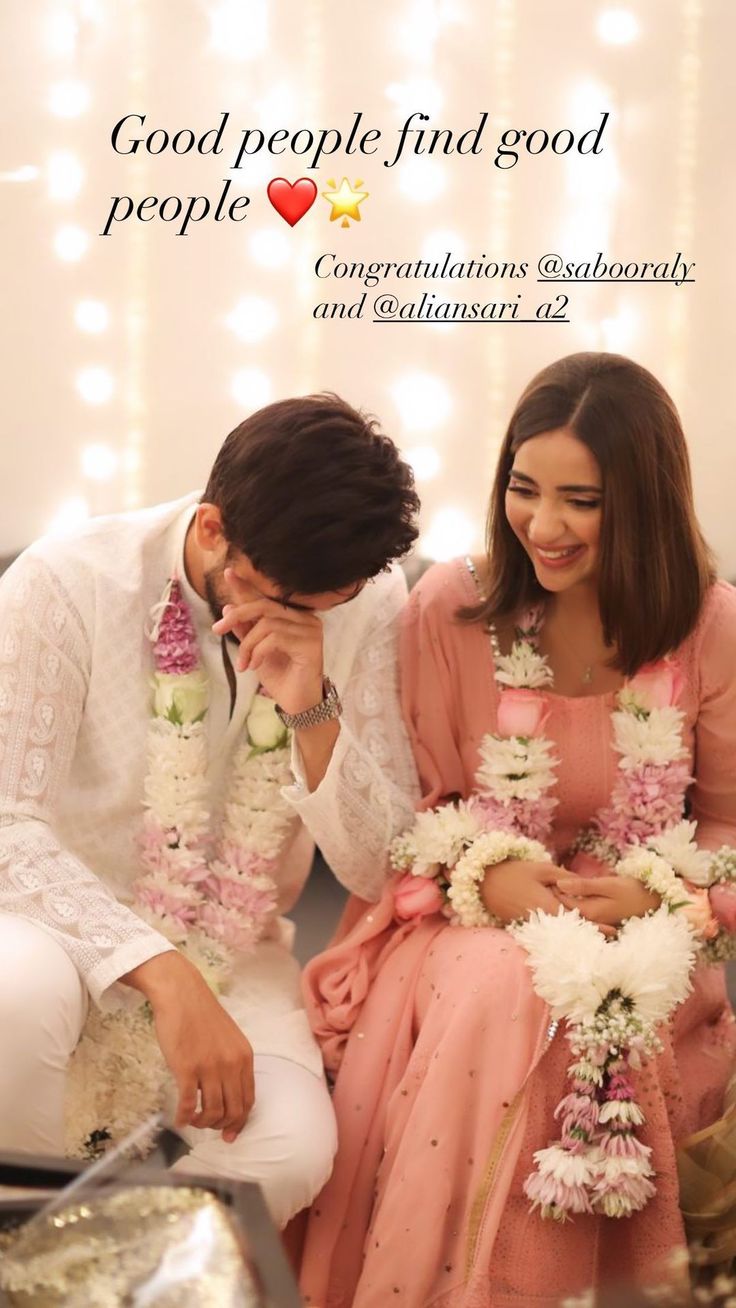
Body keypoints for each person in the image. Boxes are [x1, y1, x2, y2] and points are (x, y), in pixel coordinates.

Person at [299, 354, 736, 1306]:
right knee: (513, 983)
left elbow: (727, 826)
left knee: (616, 1005)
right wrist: (485, 874)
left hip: (647, 927)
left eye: (581, 500)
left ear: (646, 505)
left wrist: (665, 893)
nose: (543, 525)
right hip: (466, 923)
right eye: (523, 489)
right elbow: (418, 813)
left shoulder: (708, 623)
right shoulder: (449, 611)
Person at [0, 393, 421, 1228]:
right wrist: (161, 973)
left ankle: (99, 1268)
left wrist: (313, 707)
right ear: (210, 532)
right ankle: (29, 1249)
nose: (298, 622)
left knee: (295, 1147)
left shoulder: (369, 606)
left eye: (324, 607)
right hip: (57, 932)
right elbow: (9, 824)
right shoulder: (66, 582)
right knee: (13, 997)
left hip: (239, 950)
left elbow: (380, 863)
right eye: (278, 597)